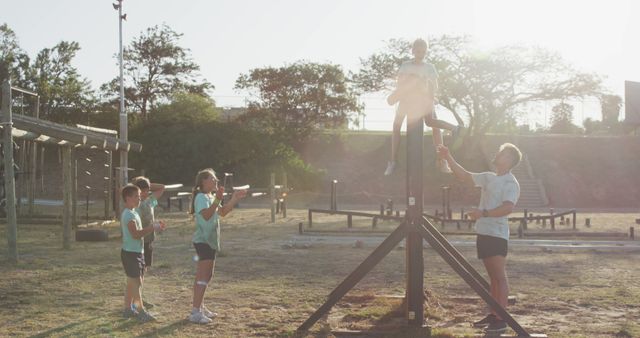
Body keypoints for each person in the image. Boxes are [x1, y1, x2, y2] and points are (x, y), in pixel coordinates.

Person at [436, 143, 521, 334]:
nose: (499, 154)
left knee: (499, 277)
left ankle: (502, 319)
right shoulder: (489, 177)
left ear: (510, 160)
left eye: (504, 153)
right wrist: (448, 156)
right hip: (483, 232)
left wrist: (483, 213)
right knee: (492, 278)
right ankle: (493, 313)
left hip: (497, 234)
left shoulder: (510, 183)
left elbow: (508, 208)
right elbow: (464, 175)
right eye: (500, 151)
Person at [385, 38, 463, 176]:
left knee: (434, 127)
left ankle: (442, 160)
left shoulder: (429, 67)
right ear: (413, 50)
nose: (420, 54)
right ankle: (392, 161)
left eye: (423, 51)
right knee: (396, 126)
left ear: (426, 52)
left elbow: (434, 86)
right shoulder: (405, 65)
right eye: (418, 51)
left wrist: (427, 94)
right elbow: (400, 84)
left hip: (424, 100)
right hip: (406, 100)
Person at [188, 168, 247, 324]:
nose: (216, 181)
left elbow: (222, 212)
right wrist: (217, 200)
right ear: (203, 182)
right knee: (203, 276)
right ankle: (195, 312)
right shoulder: (201, 197)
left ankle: (200, 306)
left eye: (216, 179)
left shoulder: (211, 196)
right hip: (203, 241)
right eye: (212, 179)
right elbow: (206, 215)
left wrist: (234, 198)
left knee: (207, 275)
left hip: (210, 241)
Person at [120, 184, 166, 321]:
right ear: (127, 198)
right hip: (130, 253)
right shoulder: (128, 214)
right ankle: (140, 311)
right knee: (136, 282)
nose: (139, 199)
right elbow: (135, 234)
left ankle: (128, 309)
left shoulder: (134, 212)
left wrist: (154, 227)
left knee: (132, 282)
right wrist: (151, 228)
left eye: (139, 196)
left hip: (136, 252)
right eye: (136, 196)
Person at [131, 176, 166, 308]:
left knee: (143, 270)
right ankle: (135, 300)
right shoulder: (135, 204)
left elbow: (162, 187)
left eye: (147, 190)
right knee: (136, 272)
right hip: (138, 241)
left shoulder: (150, 201)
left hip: (149, 240)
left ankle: (139, 297)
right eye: (142, 191)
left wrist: (147, 184)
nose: (146, 193)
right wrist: (136, 185)